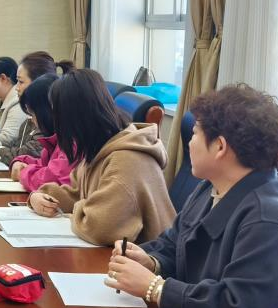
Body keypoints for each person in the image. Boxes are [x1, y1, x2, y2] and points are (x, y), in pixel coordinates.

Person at [107, 85, 278, 308]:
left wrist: (155, 288)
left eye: (195, 133)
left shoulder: (270, 218)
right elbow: (174, 243)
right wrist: (151, 262)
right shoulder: (210, 188)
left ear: (220, 147)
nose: (189, 142)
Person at [28, 69, 175, 245]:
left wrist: (77, 209)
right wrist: (41, 196)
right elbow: (75, 193)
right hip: (115, 255)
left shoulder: (126, 160)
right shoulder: (98, 146)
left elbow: (98, 228)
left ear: (73, 118)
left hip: (145, 257)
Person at [0, 51, 74, 163]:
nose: (16, 87)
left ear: (38, 82)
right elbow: (16, 147)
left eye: (20, 82)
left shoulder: (47, 122)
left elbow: (23, 155)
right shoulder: (29, 120)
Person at [9, 74, 74, 190]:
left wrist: (23, 172)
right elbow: (45, 164)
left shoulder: (72, 141)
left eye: (33, 114)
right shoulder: (58, 140)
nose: (32, 120)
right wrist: (20, 161)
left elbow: (52, 179)